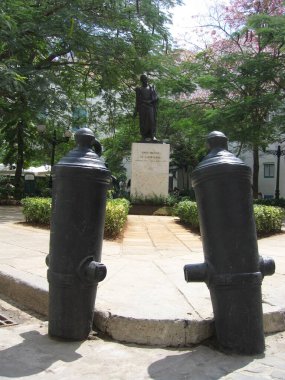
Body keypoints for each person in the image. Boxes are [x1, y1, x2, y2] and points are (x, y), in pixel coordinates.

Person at [133, 74, 159, 142]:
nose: (145, 80)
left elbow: (156, 97)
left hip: (150, 106)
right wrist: (135, 111)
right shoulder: (139, 89)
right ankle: (144, 136)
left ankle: (152, 135)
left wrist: (150, 101)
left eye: (146, 79)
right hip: (142, 107)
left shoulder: (151, 87)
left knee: (151, 120)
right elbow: (137, 100)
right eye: (143, 79)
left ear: (147, 79)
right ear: (141, 81)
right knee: (143, 122)